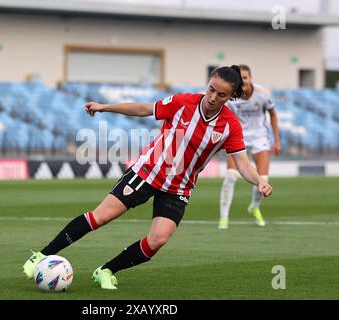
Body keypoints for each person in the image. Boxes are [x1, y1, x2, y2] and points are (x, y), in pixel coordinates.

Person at [23, 65, 273, 290]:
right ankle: (41, 256)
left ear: (231, 97)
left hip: (179, 188)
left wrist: (259, 179)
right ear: (207, 84)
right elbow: (144, 108)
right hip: (146, 172)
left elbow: (242, 163)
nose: (212, 97)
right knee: (101, 216)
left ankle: (107, 270)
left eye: (221, 95)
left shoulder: (230, 125)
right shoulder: (183, 102)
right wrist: (104, 107)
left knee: (158, 239)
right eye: (211, 89)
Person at [218, 65, 280, 229]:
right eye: (241, 78)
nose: (243, 81)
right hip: (239, 138)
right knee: (230, 176)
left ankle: (254, 207)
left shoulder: (262, 94)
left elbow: (273, 113)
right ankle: (224, 218)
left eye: (246, 77)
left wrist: (277, 139)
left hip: (260, 138)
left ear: (251, 78)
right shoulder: (232, 97)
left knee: (263, 179)